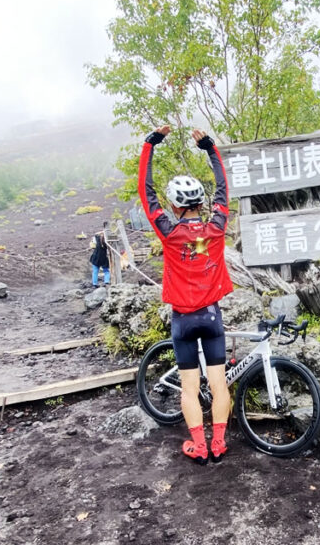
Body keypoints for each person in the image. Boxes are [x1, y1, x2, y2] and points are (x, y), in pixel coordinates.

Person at [139, 125, 233, 465]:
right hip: (211, 316)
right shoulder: (217, 226)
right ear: (200, 203)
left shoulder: (168, 231)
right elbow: (224, 187)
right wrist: (210, 148)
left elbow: (145, 192)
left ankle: (199, 447)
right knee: (219, 386)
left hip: (182, 320)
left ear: (175, 205)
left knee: (190, 389)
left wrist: (151, 144)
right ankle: (219, 443)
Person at [89, 221, 111, 287]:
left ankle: (94, 284)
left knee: (95, 271)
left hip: (96, 256)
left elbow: (95, 234)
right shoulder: (106, 242)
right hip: (103, 257)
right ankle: (106, 282)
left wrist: (102, 232)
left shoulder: (97, 238)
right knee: (106, 271)